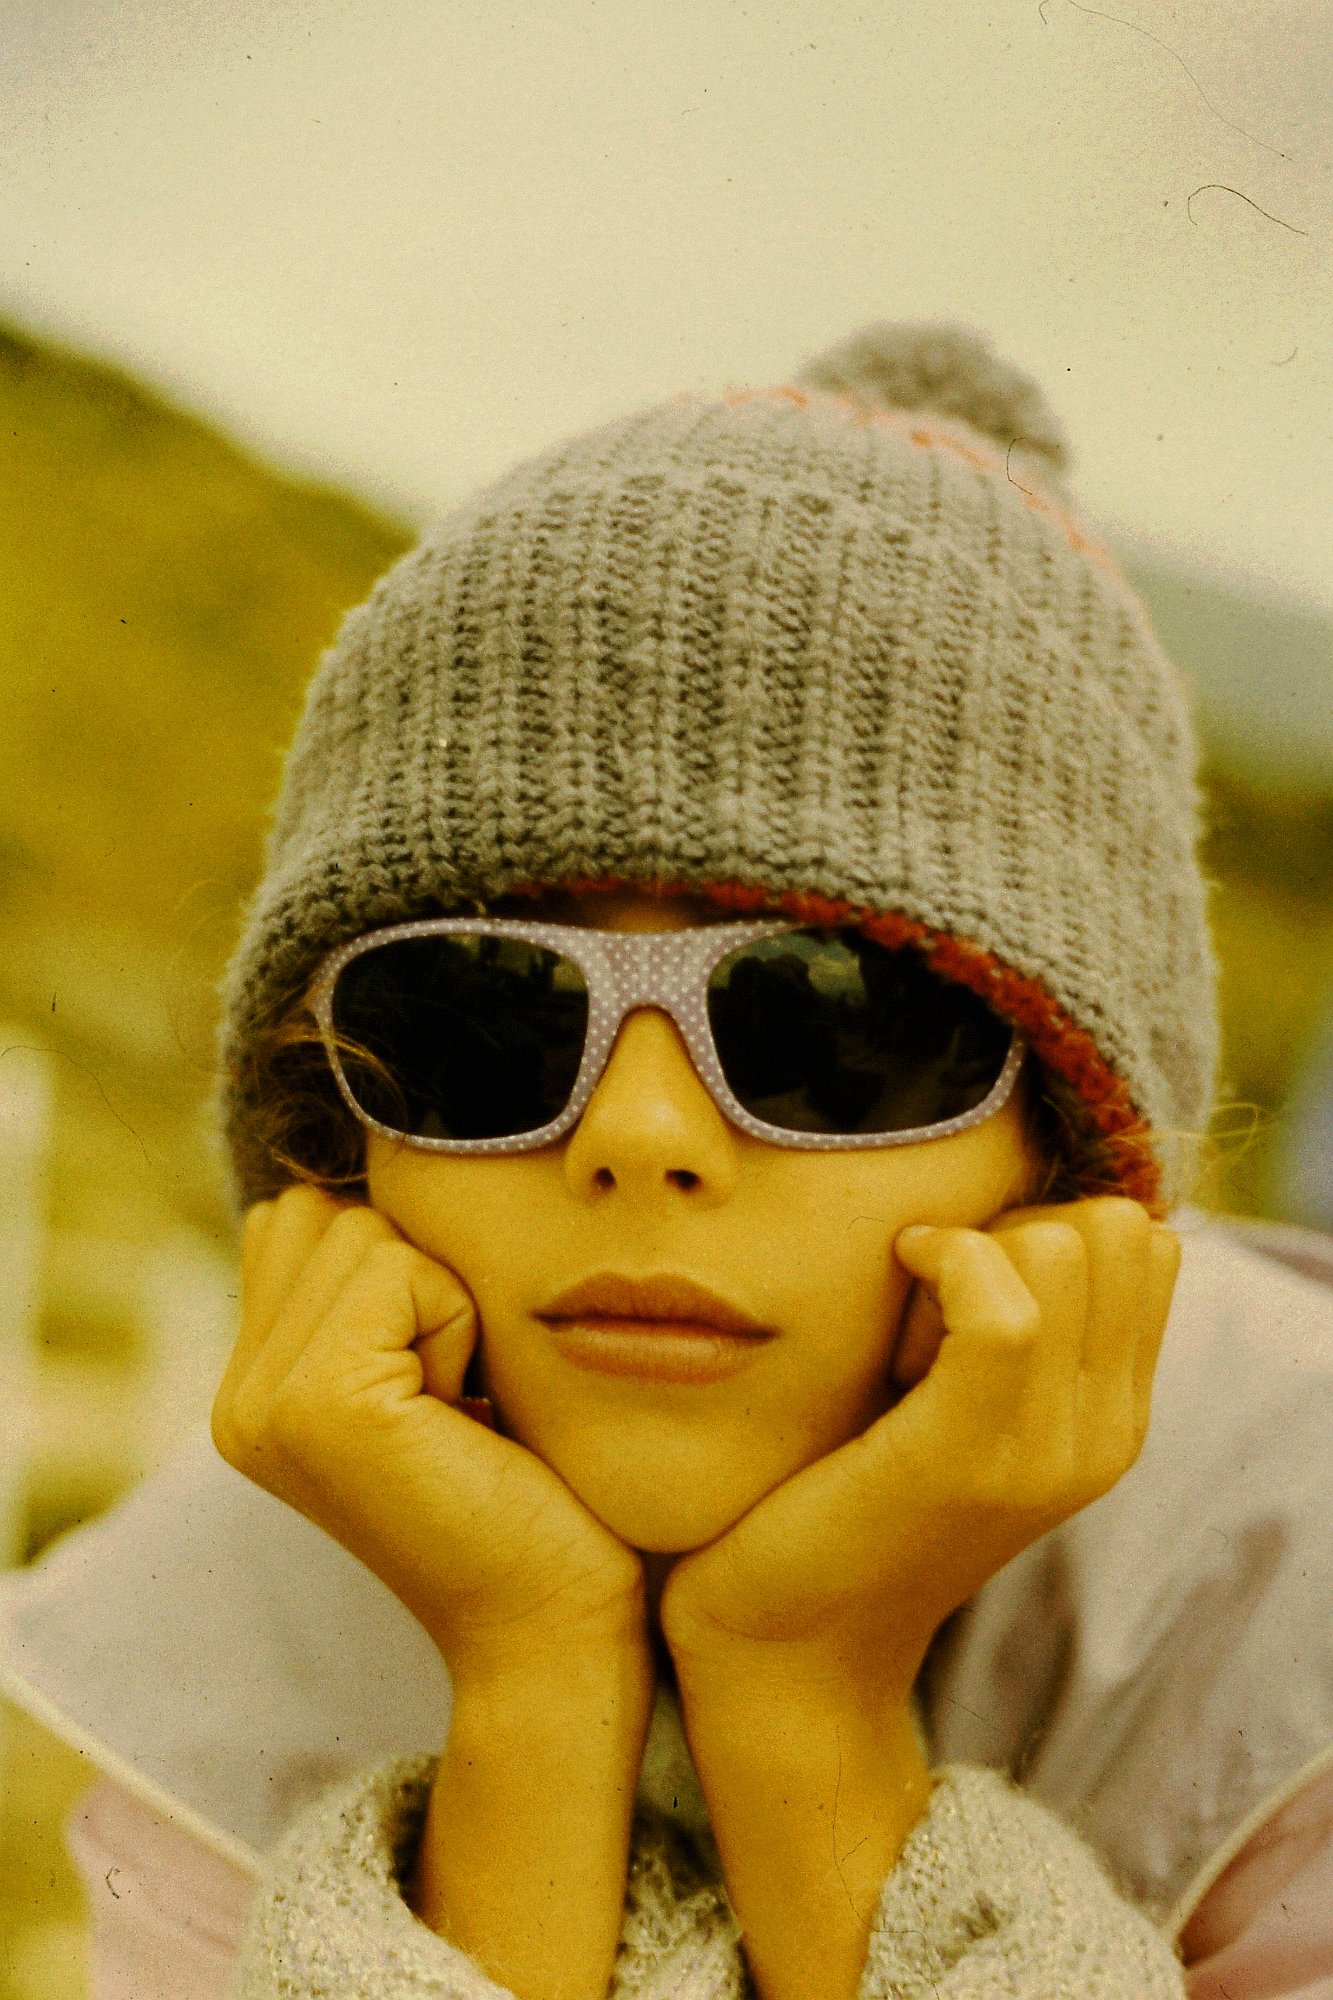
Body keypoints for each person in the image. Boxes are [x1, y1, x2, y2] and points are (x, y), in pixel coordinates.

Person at [2, 323, 1331, 1999]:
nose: (639, 1134)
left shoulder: (1294, 1587)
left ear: (1070, 1152)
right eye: (485, 1009)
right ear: (335, 1146)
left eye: (831, 1022)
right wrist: (530, 1675)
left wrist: (802, 1686)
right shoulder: (230, 1624)